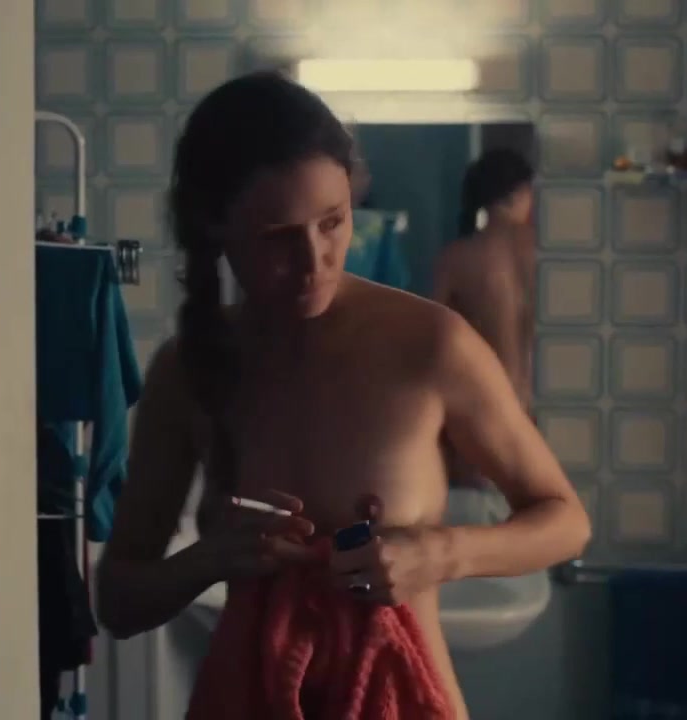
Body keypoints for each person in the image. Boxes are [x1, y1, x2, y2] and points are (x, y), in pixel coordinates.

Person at [95, 71, 590, 719]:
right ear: (216, 226)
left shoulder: (431, 344)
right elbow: (119, 602)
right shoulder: (187, 369)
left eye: (332, 222)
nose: (315, 261)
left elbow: (566, 522)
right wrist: (210, 560)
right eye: (278, 236)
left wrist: (440, 553)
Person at [433, 149, 538, 488]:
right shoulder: (549, 253)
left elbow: (431, 346)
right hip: (544, 417)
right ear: (519, 192)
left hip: (484, 414)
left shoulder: (457, 258)